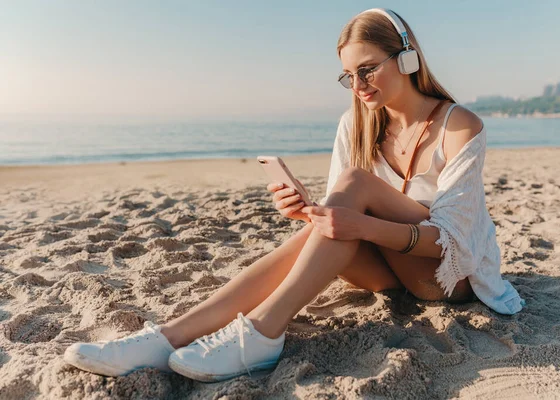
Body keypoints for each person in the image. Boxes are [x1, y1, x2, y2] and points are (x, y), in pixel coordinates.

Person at [63, 8, 523, 382]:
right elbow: (339, 227)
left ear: (406, 59)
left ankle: (262, 333)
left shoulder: (459, 125)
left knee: (356, 184)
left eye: (367, 70)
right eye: (348, 76)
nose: (359, 86)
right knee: (326, 216)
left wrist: (360, 223)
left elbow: (452, 244)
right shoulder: (357, 124)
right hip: (386, 271)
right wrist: (309, 212)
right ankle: (167, 337)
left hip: (448, 278)